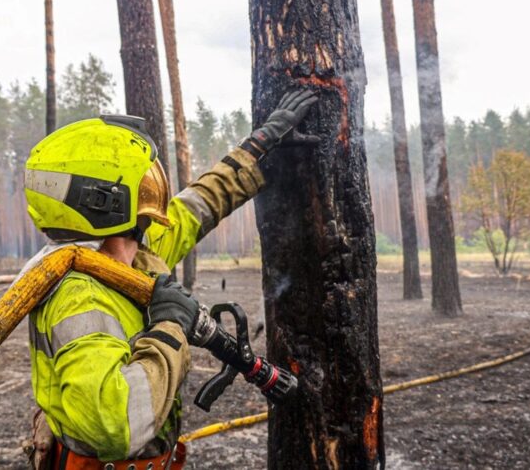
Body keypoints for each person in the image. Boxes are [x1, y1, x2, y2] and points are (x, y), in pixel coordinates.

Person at [23, 89, 319, 469]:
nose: (151, 194)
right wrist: (170, 327)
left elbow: (198, 205)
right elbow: (116, 425)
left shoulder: (134, 254)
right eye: (141, 185)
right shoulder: (78, 297)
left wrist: (259, 151)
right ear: (106, 201)